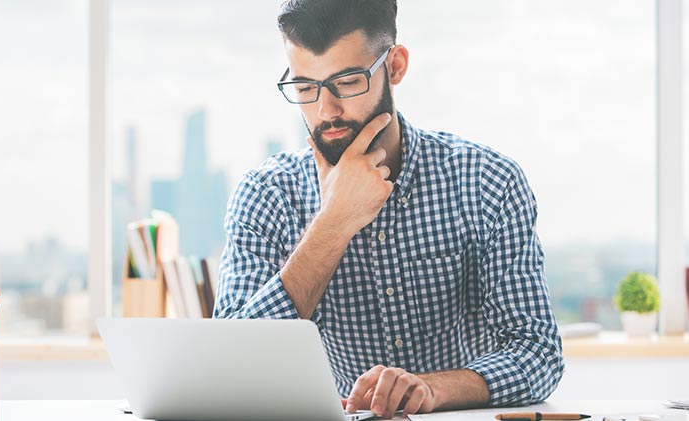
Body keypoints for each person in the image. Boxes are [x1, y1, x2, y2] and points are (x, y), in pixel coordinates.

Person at [213, 0, 564, 417]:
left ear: (394, 66)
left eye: (347, 82)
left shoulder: (487, 181)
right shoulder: (266, 195)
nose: (326, 111)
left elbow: (537, 352)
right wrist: (335, 222)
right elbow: (230, 368)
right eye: (306, 88)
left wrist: (432, 390)